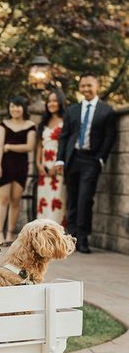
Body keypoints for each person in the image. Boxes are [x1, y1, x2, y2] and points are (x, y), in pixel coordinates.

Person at [56, 73, 117, 254]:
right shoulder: (72, 110)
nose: (86, 89)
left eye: (89, 85)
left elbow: (110, 136)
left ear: (97, 86)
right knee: (72, 200)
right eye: (83, 86)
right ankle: (71, 238)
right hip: (72, 158)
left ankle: (82, 238)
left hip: (91, 160)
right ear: (80, 87)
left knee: (85, 199)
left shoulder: (107, 110)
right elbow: (64, 136)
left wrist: (101, 158)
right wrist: (60, 159)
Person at [0, 96, 36, 245]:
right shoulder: (2, 125)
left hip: (21, 166)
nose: (15, 109)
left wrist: (9, 147)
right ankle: (0, 234)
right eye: (12, 106)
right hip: (5, 164)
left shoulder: (30, 125)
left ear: (23, 108)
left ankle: (10, 234)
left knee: (15, 200)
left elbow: (29, 146)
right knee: (2, 198)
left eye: (18, 106)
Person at [36, 89, 67, 226]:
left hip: (59, 167)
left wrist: (58, 165)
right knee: (43, 201)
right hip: (44, 169)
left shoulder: (66, 120)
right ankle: (42, 238)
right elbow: (39, 146)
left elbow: (67, 144)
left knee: (57, 202)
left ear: (60, 102)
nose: (51, 103)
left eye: (55, 100)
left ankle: (56, 238)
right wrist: (38, 164)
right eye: (49, 101)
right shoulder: (44, 122)